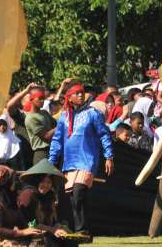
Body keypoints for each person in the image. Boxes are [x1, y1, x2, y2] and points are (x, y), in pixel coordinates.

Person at [48, 82, 114, 237]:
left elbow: (104, 134)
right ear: (69, 97)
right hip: (70, 162)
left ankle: (81, 229)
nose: (80, 95)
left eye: (81, 92)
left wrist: (109, 156)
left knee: (78, 193)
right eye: (76, 93)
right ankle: (82, 231)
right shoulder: (64, 117)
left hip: (87, 160)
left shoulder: (93, 113)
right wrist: (51, 161)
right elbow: (57, 140)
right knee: (73, 198)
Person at [0, 165, 43, 247]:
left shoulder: (9, 199)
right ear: (5, 182)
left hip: (11, 235)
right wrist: (22, 232)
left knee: (40, 240)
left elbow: (20, 221)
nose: (16, 183)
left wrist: (34, 230)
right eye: (13, 180)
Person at [18, 160, 71, 246]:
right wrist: (52, 230)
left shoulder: (50, 196)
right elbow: (29, 223)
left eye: (49, 182)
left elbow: (52, 220)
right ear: (37, 181)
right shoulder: (28, 194)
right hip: (27, 233)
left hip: (46, 231)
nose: (45, 185)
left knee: (68, 238)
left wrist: (58, 227)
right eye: (42, 181)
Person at [26, 87, 57, 166]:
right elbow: (46, 136)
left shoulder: (44, 112)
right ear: (32, 99)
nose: (42, 101)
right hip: (41, 154)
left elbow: (55, 124)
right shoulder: (31, 118)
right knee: (43, 178)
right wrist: (61, 125)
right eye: (40, 98)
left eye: (43, 98)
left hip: (52, 151)